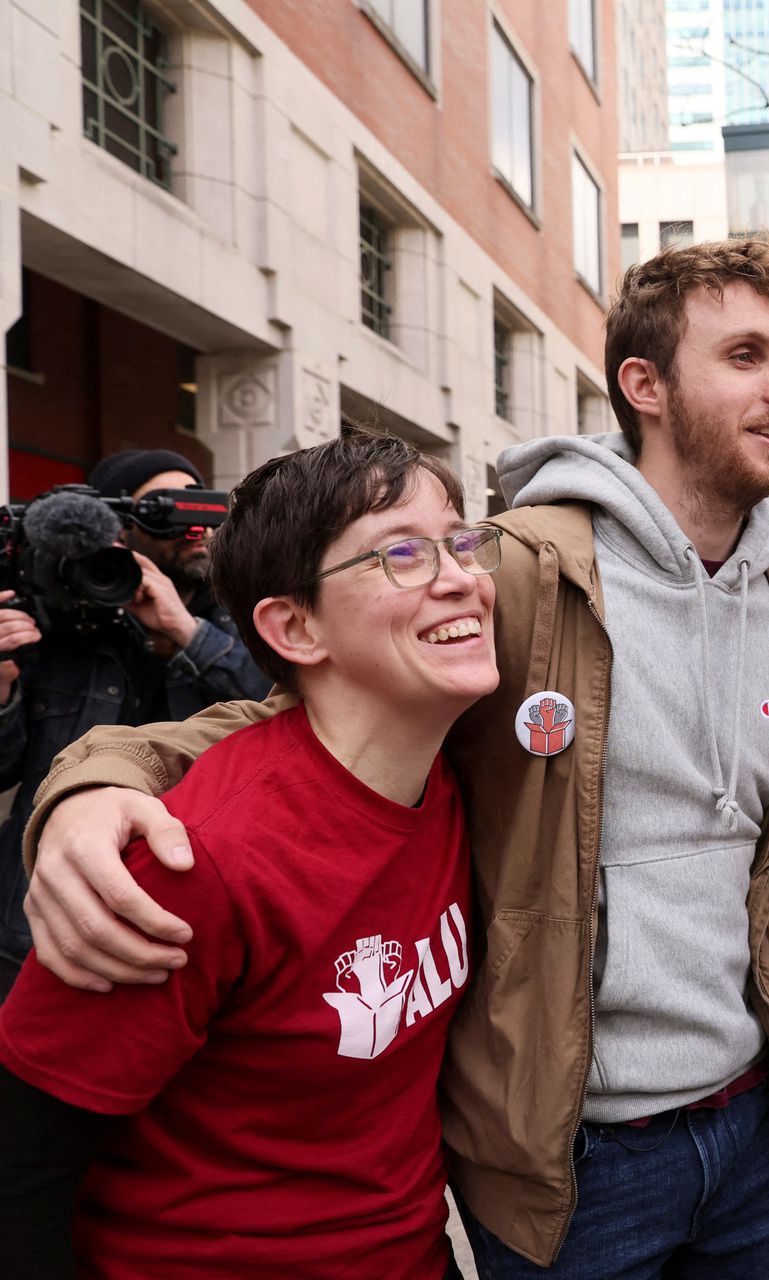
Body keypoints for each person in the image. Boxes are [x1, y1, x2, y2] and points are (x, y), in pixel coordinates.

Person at [13, 238, 769, 1277]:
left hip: (746, 1124)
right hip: (572, 1160)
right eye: (747, 355)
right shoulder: (523, 569)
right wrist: (93, 780)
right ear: (647, 385)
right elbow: (308, 701)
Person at [0, 429, 497, 1276]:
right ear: (295, 628)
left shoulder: (454, 773)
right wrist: (85, 787)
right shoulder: (184, 866)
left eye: (459, 541)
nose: (461, 579)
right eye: (402, 554)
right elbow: (21, 1164)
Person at [0, 449, 271, 998]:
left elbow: (286, 708)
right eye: (166, 514)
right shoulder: (59, 625)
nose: (195, 528)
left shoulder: (250, 618)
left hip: (186, 933)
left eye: (203, 510)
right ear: (120, 531)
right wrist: (0, 689)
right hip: (35, 928)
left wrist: (186, 631)